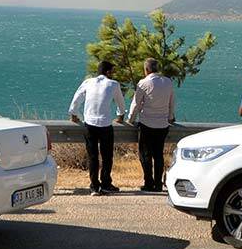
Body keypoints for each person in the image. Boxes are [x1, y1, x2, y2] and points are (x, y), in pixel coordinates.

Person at [69, 60, 125, 196]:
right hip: (105, 125)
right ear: (107, 72)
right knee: (107, 156)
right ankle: (105, 184)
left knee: (92, 156)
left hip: (89, 124)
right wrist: (120, 116)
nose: (113, 74)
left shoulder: (88, 82)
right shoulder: (113, 84)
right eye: (112, 71)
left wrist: (74, 114)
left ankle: (94, 186)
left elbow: (77, 98)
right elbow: (120, 103)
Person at [128, 58, 175, 192]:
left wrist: (131, 120)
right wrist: (170, 117)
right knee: (158, 155)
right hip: (163, 124)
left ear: (146, 70)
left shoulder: (143, 83)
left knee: (145, 155)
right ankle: (158, 184)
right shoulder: (167, 82)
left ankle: (148, 182)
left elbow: (136, 104)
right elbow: (172, 102)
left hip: (147, 124)